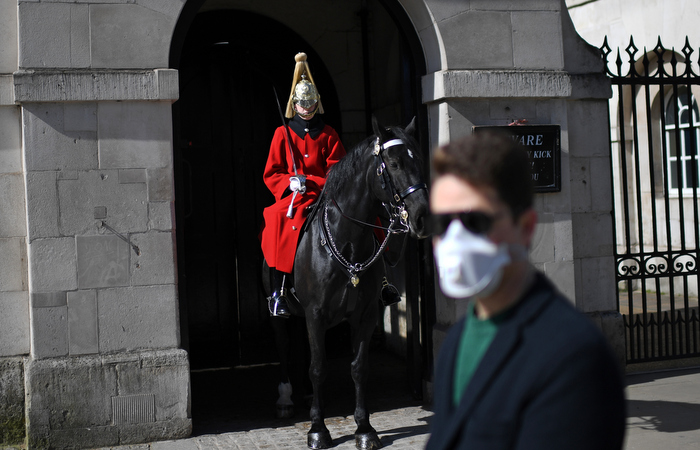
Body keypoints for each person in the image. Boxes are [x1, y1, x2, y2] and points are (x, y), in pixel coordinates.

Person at [425, 131, 626, 449]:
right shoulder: (457, 341)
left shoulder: (573, 357)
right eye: (441, 224)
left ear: (525, 227)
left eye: (475, 221)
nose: (454, 240)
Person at [261, 52, 401, 318]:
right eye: (302, 103)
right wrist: (289, 182)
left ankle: (383, 281)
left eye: (311, 103)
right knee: (277, 219)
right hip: (296, 198)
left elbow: (339, 169)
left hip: (327, 193)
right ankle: (279, 290)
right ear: (295, 104)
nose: (306, 108)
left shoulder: (328, 134)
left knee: (370, 218)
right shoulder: (283, 134)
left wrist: (315, 181)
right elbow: (272, 172)